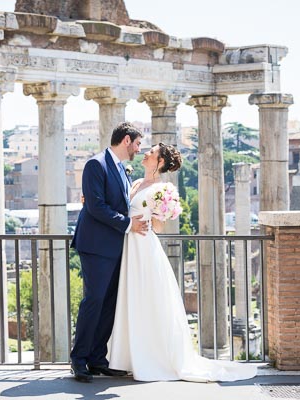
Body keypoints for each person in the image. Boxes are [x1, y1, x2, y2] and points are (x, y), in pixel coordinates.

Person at [108, 143, 257, 382]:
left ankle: (150, 357)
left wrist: (155, 213)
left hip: (144, 246)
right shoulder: (135, 183)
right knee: (130, 298)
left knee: (146, 298)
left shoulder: (162, 188)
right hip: (128, 246)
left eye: (151, 152)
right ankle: (126, 357)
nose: (145, 152)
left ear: (160, 162)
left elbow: (157, 226)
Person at [69, 122, 148, 383]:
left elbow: (120, 204)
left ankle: (97, 358)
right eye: (137, 144)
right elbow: (96, 207)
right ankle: (79, 360)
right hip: (95, 245)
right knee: (93, 301)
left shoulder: (123, 170)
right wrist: (129, 224)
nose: (139, 148)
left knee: (109, 304)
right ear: (126, 140)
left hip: (116, 246)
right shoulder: (97, 164)